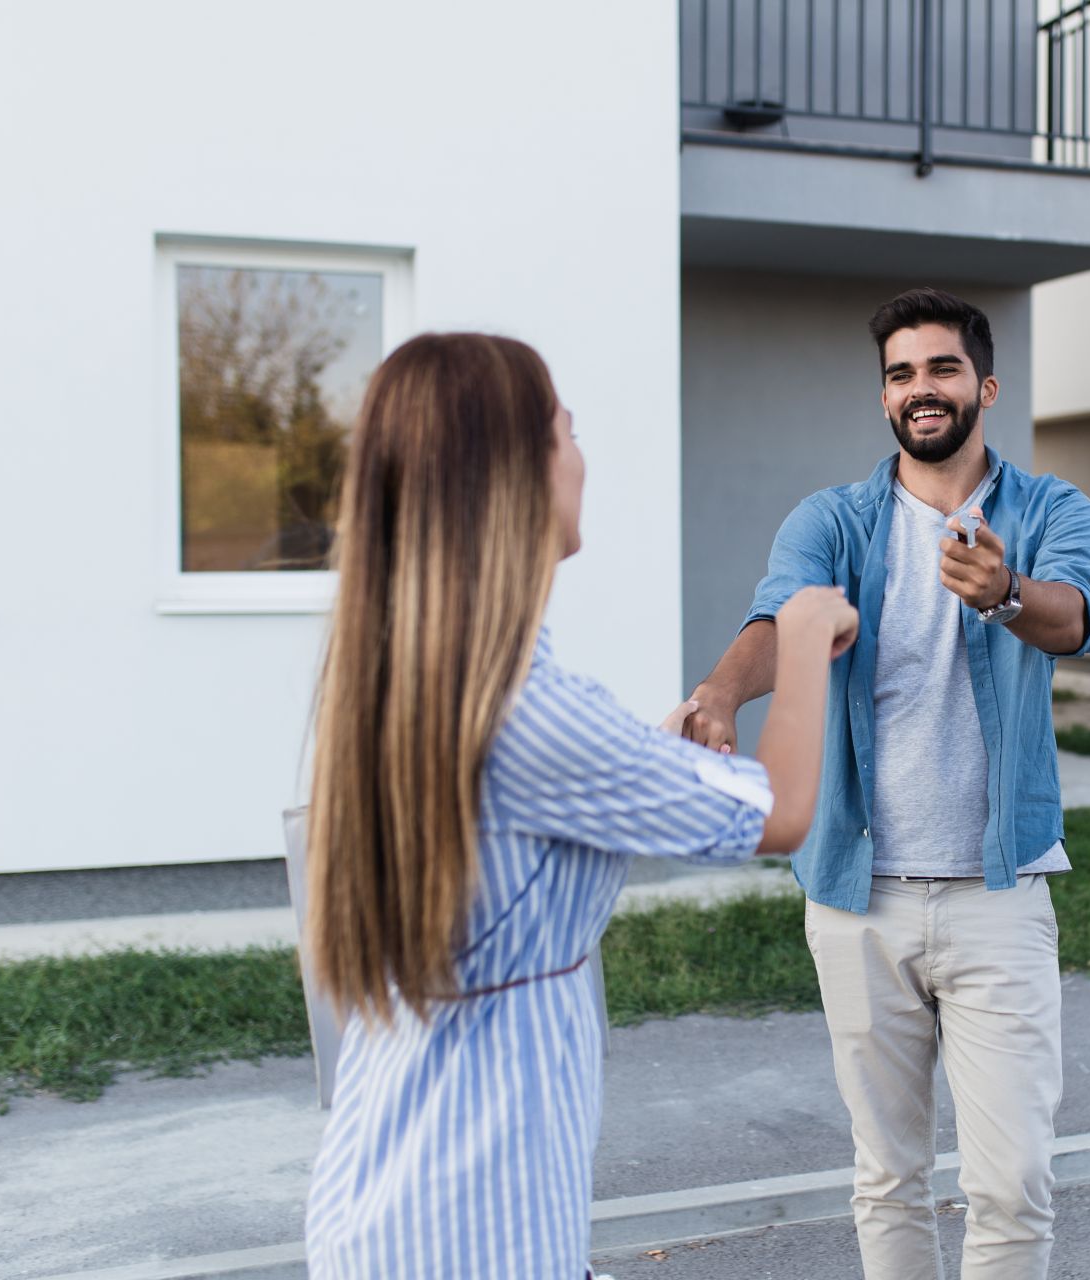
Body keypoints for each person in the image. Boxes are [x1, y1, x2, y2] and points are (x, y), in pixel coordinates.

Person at [299, 332, 857, 1278]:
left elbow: (558, 790)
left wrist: (660, 746)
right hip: (471, 1227)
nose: (581, 456)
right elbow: (783, 813)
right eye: (567, 430)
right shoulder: (527, 705)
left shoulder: (437, 677)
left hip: (412, 1204)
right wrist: (801, 634)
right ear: (509, 470)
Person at [684, 288, 1090, 1279]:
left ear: (985, 386)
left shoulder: (1051, 510)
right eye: (902, 373)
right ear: (886, 398)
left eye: (942, 368)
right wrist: (718, 692)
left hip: (996, 894)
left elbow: (1073, 616)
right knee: (888, 1175)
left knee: (1010, 1182)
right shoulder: (833, 521)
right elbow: (779, 619)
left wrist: (1005, 590)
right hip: (858, 896)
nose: (922, 388)